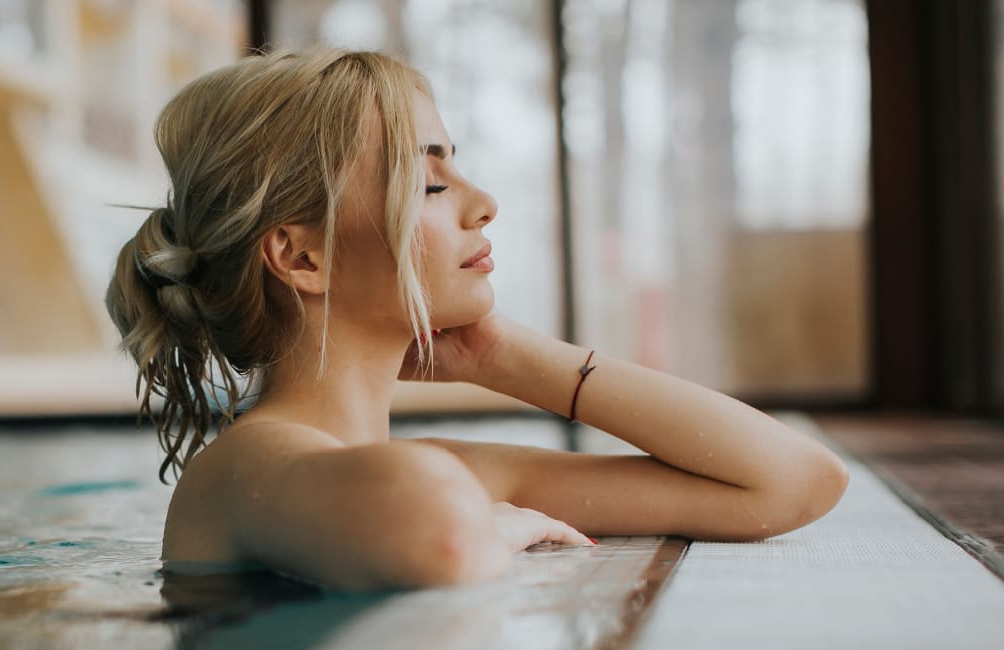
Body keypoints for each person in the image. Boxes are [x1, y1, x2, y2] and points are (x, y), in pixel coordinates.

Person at [103, 47, 849, 591]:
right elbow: (446, 537)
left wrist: (506, 358)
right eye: (429, 183)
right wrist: (501, 524)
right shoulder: (244, 467)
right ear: (303, 259)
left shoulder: (434, 472)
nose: (482, 199)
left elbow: (792, 483)